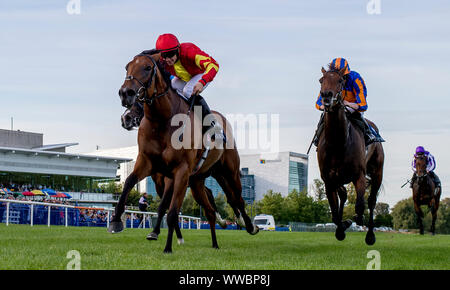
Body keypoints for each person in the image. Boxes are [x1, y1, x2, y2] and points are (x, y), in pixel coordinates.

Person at [155, 33, 223, 141]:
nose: (168, 59)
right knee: (172, 86)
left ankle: (212, 126)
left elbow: (213, 64)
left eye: (171, 54)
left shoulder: (188, 51)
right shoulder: (162, 61)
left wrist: (202, 82)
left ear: (177, 50)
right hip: (186, 77)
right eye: (164, 56)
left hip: (200, 74)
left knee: (187, 90)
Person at [313, 57, 384, 147]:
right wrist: (325, 106)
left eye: (343, 76)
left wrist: (348, 104)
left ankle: (369, 134)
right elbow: (318, 103)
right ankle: (317, 137)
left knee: (358, 117)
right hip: (334, 107)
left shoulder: (356, 79)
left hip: (352, 107)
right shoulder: (329, 80)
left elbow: (363, 105)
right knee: (324, 118)